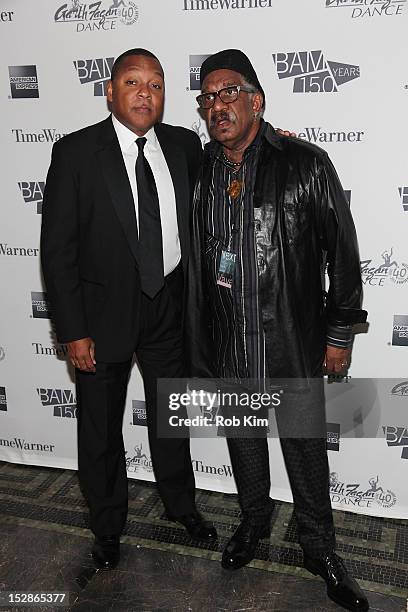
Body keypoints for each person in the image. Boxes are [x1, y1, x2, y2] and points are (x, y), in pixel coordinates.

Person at [186, 49, 368, 611]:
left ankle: (320, 547)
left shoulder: (306, 164)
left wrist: (339, 335)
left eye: (229, 93)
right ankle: (254, 522)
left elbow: (343, 253)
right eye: (208, 97)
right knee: (243, 444)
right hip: (229, 341)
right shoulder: (200, 170)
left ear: (257, 100)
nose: (218, 106)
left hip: (290, 337)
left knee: (307, 453)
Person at [40, 47, 217, 571]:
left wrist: (279, 144)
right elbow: (58, 250)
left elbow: (237, 164)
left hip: (168, 305)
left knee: (172, 418)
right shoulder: (75, 152)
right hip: (100, 316)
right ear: (110, 91)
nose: (146, 92)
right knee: (99, 426)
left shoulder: (186, 145)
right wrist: (72, 330)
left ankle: (181, 506)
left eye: (157, 84)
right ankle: (108, 525)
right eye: (134, 82)